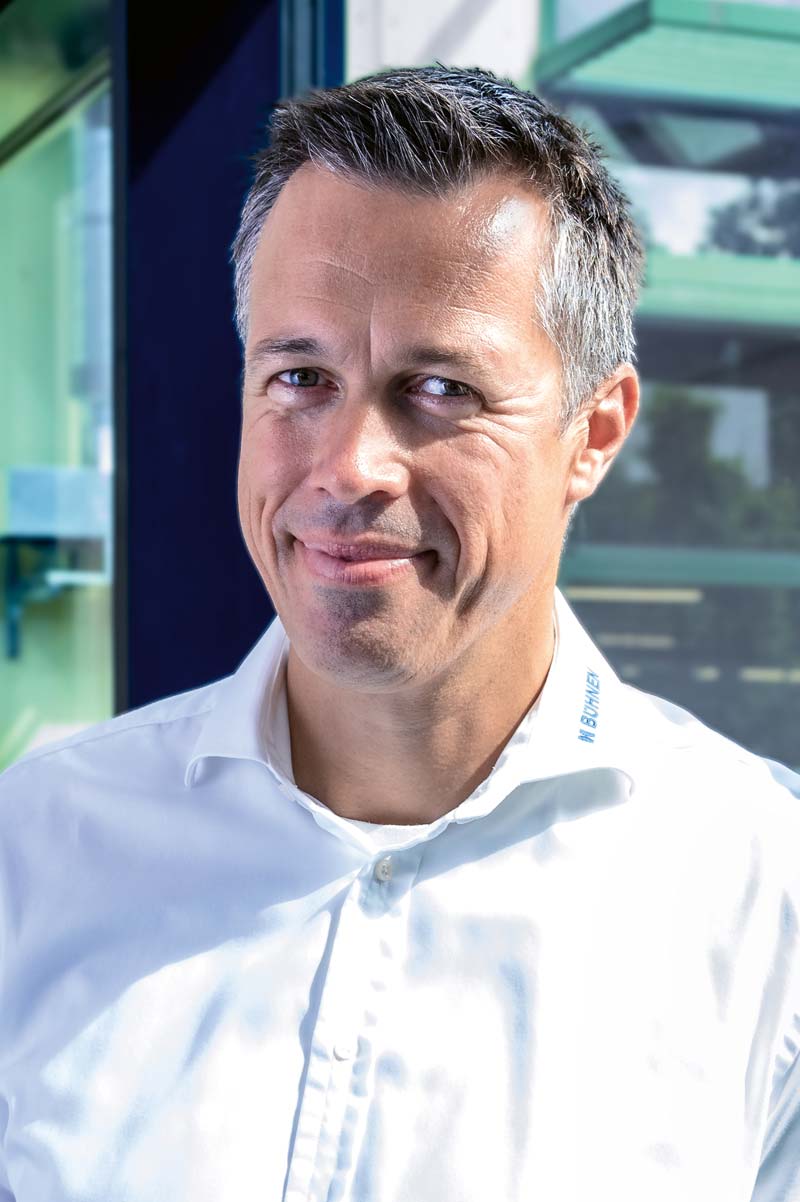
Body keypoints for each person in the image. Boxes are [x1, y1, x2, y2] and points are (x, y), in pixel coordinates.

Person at [0, 64, 797, 1202]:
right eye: (299, 375)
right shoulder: (33, 853)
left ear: (593, 433)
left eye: (440, 389)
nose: (348, 467)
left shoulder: (765, 901)